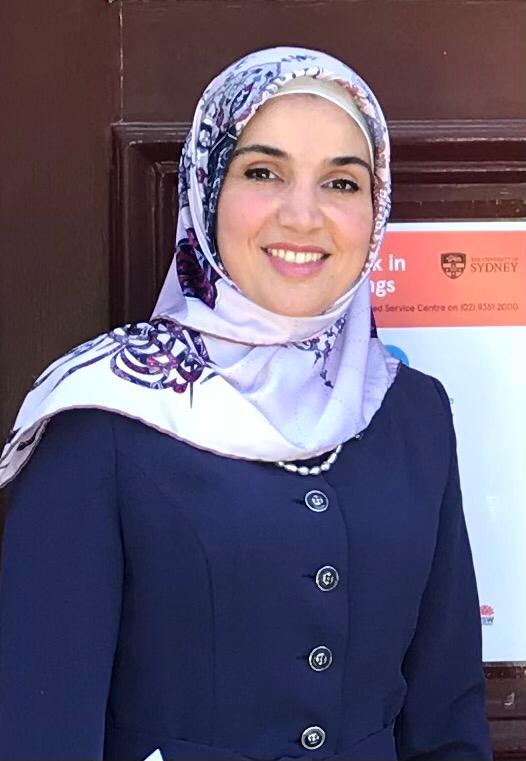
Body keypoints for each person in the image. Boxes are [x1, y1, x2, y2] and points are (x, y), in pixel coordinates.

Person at [0, 47, 492, 761]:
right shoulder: (101, 415)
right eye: (263, 172)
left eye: (342, 182)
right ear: (206, 190)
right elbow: (39, 729)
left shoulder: (411, 412)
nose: (304, 215)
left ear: (375, 210)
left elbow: (447, 716)